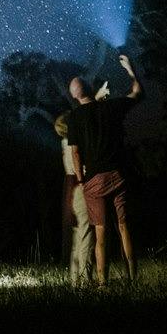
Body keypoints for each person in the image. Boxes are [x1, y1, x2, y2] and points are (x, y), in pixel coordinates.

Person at [66, 53, 144, 284]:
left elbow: (75, 152)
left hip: (93, 180)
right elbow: (138, 93)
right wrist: (131, 70)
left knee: (100, 234)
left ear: (74, 96)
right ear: (92, 89)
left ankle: (103, 283)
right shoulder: (111, 107)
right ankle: (132, 278)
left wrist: (81, 179)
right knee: (124, 227)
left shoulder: (74, 118)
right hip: (118, 175)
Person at [56, 83, 96, 287]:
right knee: (86, 234)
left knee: (78, 236)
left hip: (71, 190)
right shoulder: (74, 145)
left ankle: (75, 280)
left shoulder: (65, 143)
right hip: (80, 187)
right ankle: (85, 279)